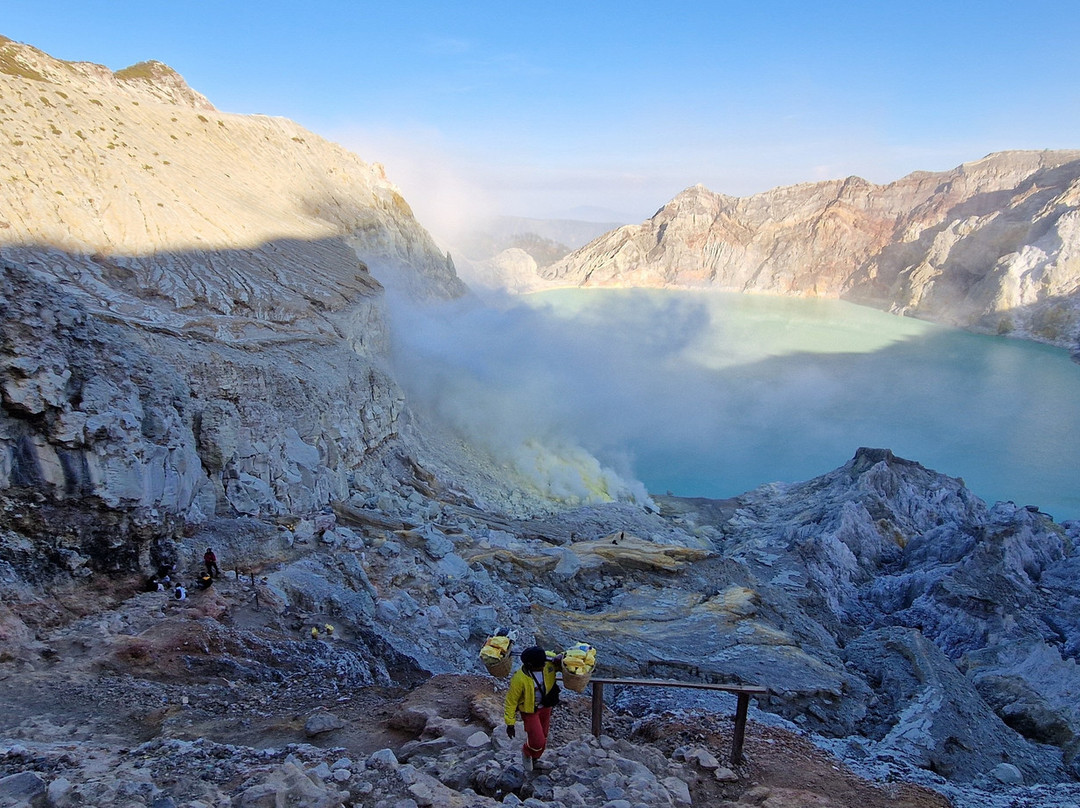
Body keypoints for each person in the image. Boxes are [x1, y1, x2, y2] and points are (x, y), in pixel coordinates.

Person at [504, 645, 563, 773]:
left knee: (544, 735)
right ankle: (527, 751)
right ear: (530, 665)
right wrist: (510, 723)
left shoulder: (547, 663)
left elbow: (562, 662)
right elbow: (511, 701)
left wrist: (562, 659)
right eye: (541, 664)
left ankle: (535, 759)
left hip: (546, 706)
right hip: (530, 711)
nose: (544, 665)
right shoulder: (519, 679)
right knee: (537, 740)